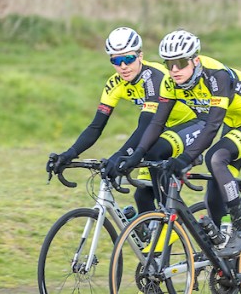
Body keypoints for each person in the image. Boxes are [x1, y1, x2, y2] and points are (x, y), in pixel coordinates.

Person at [119, 30, 241, 263]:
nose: (174, 70)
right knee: (213, 197)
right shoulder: (170, 82)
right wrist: (138, 154)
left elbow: (212, 126)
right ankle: (227, 267)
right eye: (169, 64)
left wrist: (185, 158)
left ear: (195, 60)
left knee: (216, 157)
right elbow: (156, 122)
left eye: (180, 63)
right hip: (234, 124)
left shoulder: (217, 76)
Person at [46, 27, 200, 216]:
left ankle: (179, 223)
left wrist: (120, 154)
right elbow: (96, 127)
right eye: (116, 61)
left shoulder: (154, 77)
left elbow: (146, 125)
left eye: (128, 59)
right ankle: (151, 239)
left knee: (156, 165)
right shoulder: (115, 83)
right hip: (160, 128)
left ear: (140, 56)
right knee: (142, 197)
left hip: (191, 123)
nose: (123, 66)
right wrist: (69, 154)